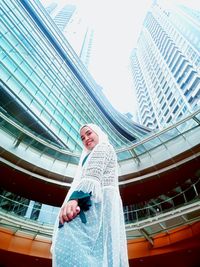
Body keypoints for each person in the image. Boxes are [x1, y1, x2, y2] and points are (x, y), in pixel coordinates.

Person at [51, 123, 129, 267]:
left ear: (98, 133)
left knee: (69, 240)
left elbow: (93, 175)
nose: (86, 138)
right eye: (82, 137)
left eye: (89, 133)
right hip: (92, 203)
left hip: (95, 205)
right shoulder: (89, 156)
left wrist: (75, 199)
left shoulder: (103, 146)